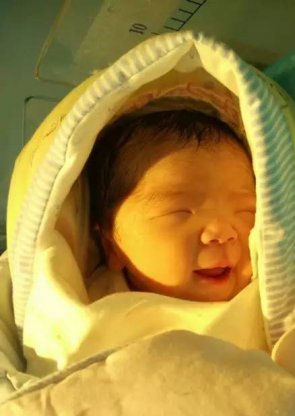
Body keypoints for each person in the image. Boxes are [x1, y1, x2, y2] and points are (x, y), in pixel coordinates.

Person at [85, 107, 257, 303]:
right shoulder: (91, 311)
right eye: (180, 212)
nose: (224, 232)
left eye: (246, 212)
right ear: (111, 247)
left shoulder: (270, 299)